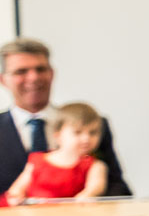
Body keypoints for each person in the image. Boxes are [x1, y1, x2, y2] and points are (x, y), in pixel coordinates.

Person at [0, 37, 130, 197]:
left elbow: (117, 186)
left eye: (40, 69)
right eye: (21, 71)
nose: (33, 78)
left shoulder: (91, 127)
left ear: (52, 73)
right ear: (3, 80)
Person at [3, 101, 108, 203]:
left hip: (70, 215)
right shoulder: (37, 161)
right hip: (35, 215)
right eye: (77, 132)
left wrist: (87, 196)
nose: (86, 138)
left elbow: (95, 187)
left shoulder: (95, 166)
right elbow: (17, 188)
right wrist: (16, 196)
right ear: (58, 135)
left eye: (93, 133)